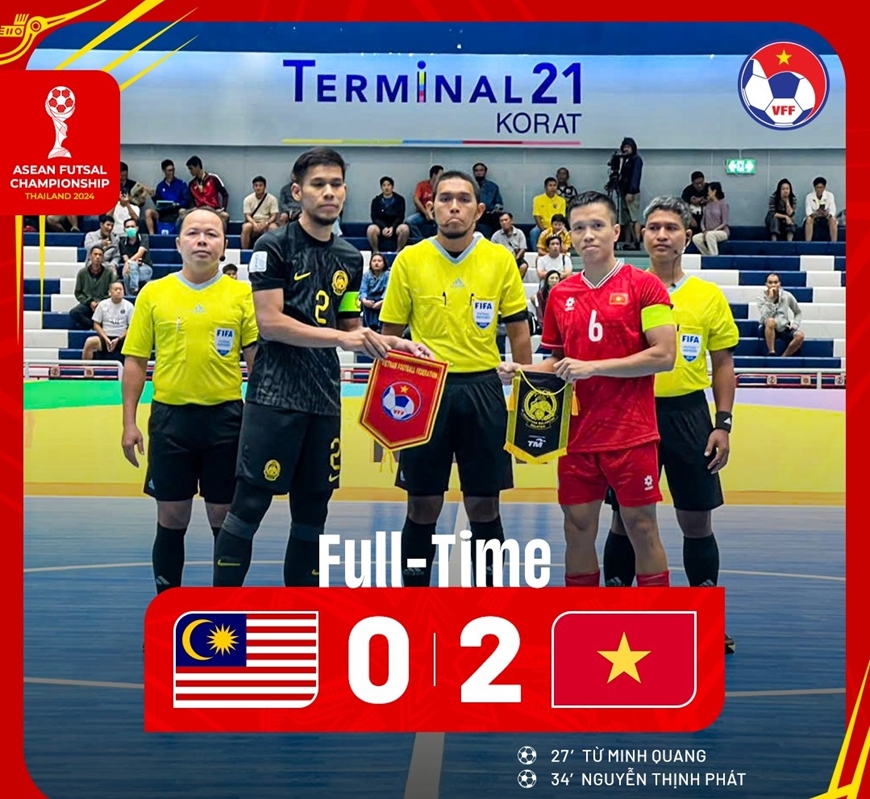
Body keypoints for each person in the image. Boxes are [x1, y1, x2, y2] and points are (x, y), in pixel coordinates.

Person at [212, 148, 429, 588]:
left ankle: (305, 612)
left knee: (313, 514)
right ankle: (221, 612)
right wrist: (341, 339)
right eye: (318, 184)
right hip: (274, 399)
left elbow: (350, 326)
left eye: (336, 184)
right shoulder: (273, 247)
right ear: (297, 192)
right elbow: (270, 324)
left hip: (324, 401)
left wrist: (395, 343)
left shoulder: (350, 258)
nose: (329, 192)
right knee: (249, 507)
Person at [499, 191, 675, 588]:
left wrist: (593, 367)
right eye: (579, 228)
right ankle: (581, 615)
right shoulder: (561, 294)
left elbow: (664, 356)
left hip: (630, 434)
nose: (588, 234)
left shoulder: (645, 286)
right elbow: (559, 361)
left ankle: (657, 618)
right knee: (576, 527)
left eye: (597, 225)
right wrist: (523, 370)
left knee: (641, 526)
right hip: (577, 435)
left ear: (616, 231)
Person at [380, 170, 532, 587]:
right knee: (422, 506)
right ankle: (414, 600)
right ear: (431, 208)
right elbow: (390, 336)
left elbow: (519, 331)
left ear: (479, 210)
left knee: (484, 506)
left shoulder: (499, 259)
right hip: (423, 390)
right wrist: (389, 412)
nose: (453, 207)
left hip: (483, 389)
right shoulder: (409, 259)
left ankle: (487, 599)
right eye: (445, 198)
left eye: (463, 199)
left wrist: (525, 398)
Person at [602, 196, 739, 654]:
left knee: (696, 519)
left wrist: (722, 424)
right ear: (641, 234)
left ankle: (705, 620)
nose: (662, 235)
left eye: (671, 228)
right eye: (654, 227)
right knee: (625, 519)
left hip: (689, 416)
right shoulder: (621, 289)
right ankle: (616, 617)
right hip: (631, 413)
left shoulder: (707, 296)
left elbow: (723, 364)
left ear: (687, 235)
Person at [121, 207, 259, 594]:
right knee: (171, 518)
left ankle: (225, 612)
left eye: (211, 234)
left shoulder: (242, 295)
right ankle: (169, 609)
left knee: (225, 519)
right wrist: (129, 423)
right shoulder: (154, 293)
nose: (202, 240)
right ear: (179, 242)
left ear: (224, 245)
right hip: (171, 422)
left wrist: (262, 427)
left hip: (227, 422)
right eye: (193, 233)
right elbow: (135, 361)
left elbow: (257, 364)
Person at [758, 273, 805, 356]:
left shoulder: (787, 296)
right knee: (770, 321)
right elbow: (765, 316)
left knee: (800, 335)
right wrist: (770, 300)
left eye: (775, 282)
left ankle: (784, 356)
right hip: (767, 328)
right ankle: (771, 352)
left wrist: (795, 324)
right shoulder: (761, 298)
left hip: (783, 327)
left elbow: (798, 312)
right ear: (766, 284)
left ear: (779, 284)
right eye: (770, 282)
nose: (773, 285)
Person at [691, 182, 729, 256]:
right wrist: (704, 230)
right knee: (696, 238)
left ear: (714, 191)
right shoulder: (708, 204)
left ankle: (714, 256)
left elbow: (724, 222)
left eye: (709, 191)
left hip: (721, 232)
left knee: (710, 235)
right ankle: (707, 255)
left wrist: (714, 230)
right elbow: (703, 220)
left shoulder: (723, 204)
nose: (708, 193)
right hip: (708, 232)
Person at [359, 252, 390, 331]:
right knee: (365, 304)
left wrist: (382, 301)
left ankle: (380, 327)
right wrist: (364, 300)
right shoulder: (366, 275)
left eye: (379, 261)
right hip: (369, 300)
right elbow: (363, 289)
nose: (376, 263)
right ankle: (368, 327)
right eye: (374, 261)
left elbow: (388, 290)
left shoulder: (388, 275)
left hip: (383, 299)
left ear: (384, 263)